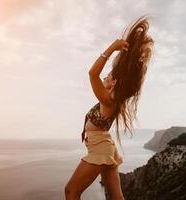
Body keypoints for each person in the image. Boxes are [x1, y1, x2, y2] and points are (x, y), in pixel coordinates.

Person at [64, 15, 154, 200]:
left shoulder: (108, 100)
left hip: (101, 148)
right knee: (116, 196)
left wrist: (112, 48)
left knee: (71, 191)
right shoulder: (112, 100)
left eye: (108, 76)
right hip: (105, 146)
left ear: (113, 83)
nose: (105, 77)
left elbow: (92, 73)